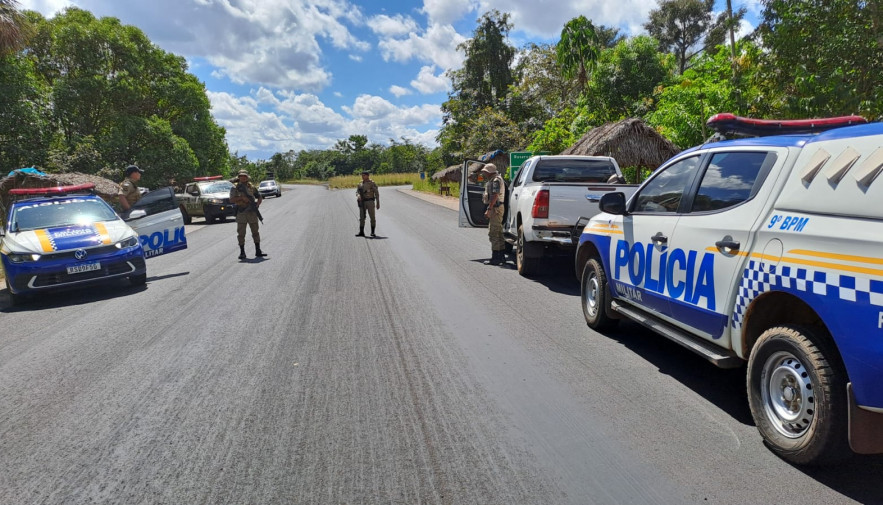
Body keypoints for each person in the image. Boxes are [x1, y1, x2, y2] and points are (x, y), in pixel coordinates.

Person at [229, 170, 266, 259]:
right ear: (239, 177)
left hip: (252, 213)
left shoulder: (251, 187)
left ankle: (258, 250)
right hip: (241, 212)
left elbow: (259, 196)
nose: (243, 177)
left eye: (244, 176)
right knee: (241, 233)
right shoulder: (235, 188)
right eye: (241, 176)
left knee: (255, 232)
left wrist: (257, 204)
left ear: (247, 177)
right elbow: (231, 200)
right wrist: (241, 198)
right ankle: (242, 252)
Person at [481, 163, 506, 265]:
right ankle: (501, 256)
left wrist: (489, 208)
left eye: (485, 172)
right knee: (498, 232)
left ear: (489, 172)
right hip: (497, 207)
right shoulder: (496, 179)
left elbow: (495, 195)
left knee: (494, 232)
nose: (484, 173)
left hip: (495, 208)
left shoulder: (496, 180)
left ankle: (495, 258)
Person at [355, 170, 380, 237]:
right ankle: (361, 232)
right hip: (362, 202)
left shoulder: (372, 183)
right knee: (362, 217)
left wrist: (378, 203)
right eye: (362, 175)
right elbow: (357, 192)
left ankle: (372, 232)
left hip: (370, 201)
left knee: (372, 217)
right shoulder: (360, 183)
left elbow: (377, 193)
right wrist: (358, 196)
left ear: (368, 176)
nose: (362, 176)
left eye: (364, 175)